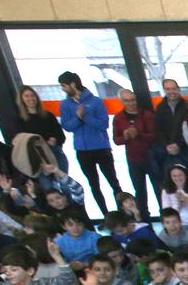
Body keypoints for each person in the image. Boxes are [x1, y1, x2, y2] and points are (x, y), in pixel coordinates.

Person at [57, 71, 122, 217]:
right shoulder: (65, 105)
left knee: (113, 181)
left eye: (64, 85)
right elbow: (67, 126)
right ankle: (106, 216)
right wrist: (78, 119)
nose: (63, 89)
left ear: (73, 84)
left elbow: (103, 124)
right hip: (82, 150)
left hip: (101, 147)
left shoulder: (95, 101)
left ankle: (122, 213)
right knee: (94, 184)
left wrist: (85, 117)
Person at [112, 89, 158, 217]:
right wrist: (126, 137)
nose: (131, 103)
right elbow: (116, 140)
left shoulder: (147, 115)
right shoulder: (118, 118)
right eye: (127, 101)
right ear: (122, 101)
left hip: (150, 158)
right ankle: (144, 220)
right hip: (133, 160)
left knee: (158, 190)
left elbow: (155, 136)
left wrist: (139, 134)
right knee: (140, 192)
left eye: (132, 100)